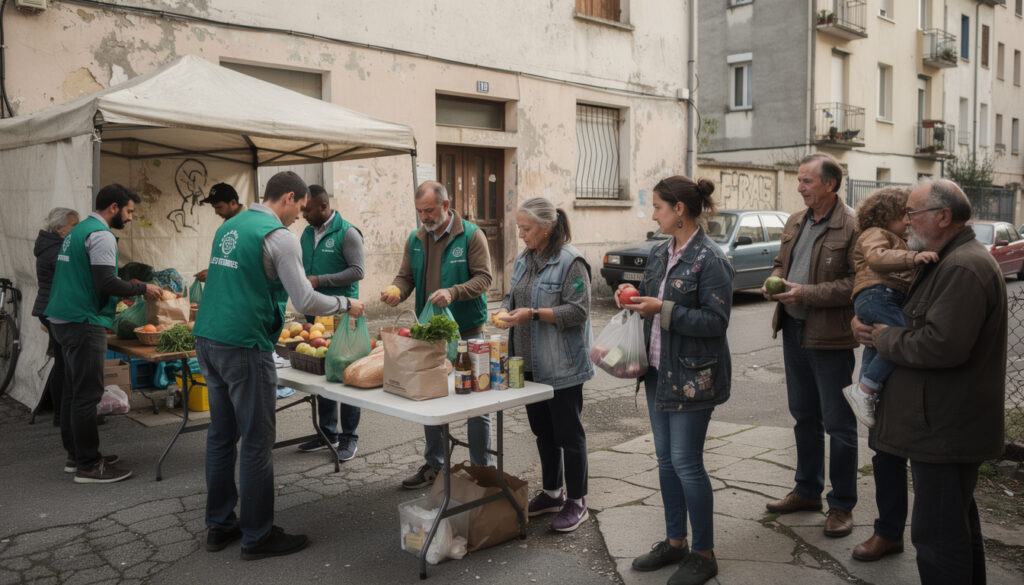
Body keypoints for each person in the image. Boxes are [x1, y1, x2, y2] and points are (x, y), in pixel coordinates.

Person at [192, 171, 365, 560]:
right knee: (255, 442)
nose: (299, 218)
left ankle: (219, 525)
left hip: (207, 338)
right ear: (288, 197)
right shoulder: (279, 237)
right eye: (299, 208)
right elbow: (304, 300)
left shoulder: (231, 225)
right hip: (243, 344)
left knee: (221, 436)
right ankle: (258, 535)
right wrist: (345, 304)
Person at [853, 179, 1006, 585]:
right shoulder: (946, 258)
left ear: (943, 216)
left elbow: (942, 346)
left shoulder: (962, 266)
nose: (906, 220)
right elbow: (911, 314)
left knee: (937, 538)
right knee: (953, 527)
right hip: (939, 424)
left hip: (943, 427)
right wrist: (866, 324)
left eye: (913, 212)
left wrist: (882, 337)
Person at [622, 176, 732, 585]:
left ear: (679, 210)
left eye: (658, 207)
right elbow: (650, 296)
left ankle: (704, 553)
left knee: (687, 463)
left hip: (692, 378)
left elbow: (716, 322)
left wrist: (661, 308)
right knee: (666, 462)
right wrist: (631, 295)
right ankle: (675, 543)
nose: (653, 214)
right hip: (656, 372)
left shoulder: (711, 259)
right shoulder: (660, 252)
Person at [762, 153, 859, 538]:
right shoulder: (795, 220)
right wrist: (777, 282)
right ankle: (806, 490)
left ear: (830, 185)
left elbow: (856, 283)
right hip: (793, 330)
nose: (799, 187)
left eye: (806, 181)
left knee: (839, 424)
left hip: (830, 337)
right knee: (803, 415)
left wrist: (807, 294)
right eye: (799, 181)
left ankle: (842, 505)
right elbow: (779, 262)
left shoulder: (852, 225)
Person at [44, 185, 163, 483]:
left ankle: (77, 456)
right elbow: (105, 283)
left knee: (74, 392)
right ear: (113, 208)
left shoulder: (78, 230)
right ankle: (88, 465)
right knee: (86, 396)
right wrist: (142, 288)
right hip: (83, 320)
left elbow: (92, 274)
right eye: (129, 211)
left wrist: (127, 282)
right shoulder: (102, 235)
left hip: (62, 316)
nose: (131, 217)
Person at [382, 181, 494, 489]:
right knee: (429, 398)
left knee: (476, 404)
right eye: (419, 211)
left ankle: (482, 470)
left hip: (468, 332)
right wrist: (396, 292)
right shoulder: (416, 239)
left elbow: (485, 278)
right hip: (429, 335)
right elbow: (405, 277)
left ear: (445, 206)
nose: (424, 217)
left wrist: (454, 292)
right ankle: (435, 464)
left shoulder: (471, 235)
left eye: (429, 210)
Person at [493, 197, 594, 533]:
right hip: (528, 365)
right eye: (519, 228)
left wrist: (533, 314)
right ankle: (553, 492)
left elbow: (578, 312)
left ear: (547, 227)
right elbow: (516, 298)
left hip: (561, 365)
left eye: (527, 228)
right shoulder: (525, 259)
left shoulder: (571, 261)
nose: (521, 234)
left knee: (569, 434)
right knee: (543, 433)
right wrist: (509, 314)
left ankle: (577, 502)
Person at [842, 187, 939, 428]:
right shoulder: (874, 233)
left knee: (877, 347)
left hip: (882, 296)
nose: (908, 220)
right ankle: (865, 389)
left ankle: (865, 392)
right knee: (897, 336)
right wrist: (913, 258)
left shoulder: (899, 239)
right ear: (884, 215)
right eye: (902, 214)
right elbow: (877, 259)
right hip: (878, 294)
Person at [296, 184, 365, 461]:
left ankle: (349, 437)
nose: (303, 214)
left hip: (344, 315)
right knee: (324, 373)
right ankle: (327, 432)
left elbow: (358, 271)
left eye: (308, 209)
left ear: (324, 207)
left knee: (346, 375)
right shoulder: (307, 232)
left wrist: (319, 281)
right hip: (317, 313)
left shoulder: (347, 233)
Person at [32, 207, 80, 426]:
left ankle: (62, 414)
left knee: (62, 362)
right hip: (54, 310)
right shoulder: (56, 249)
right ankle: (62, 415)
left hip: (49, 308)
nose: (77, 229)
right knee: (64, 364)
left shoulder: (50, 244)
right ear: (59, 228)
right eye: (74, 225)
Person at [195, 182, 244, 283]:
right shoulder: (229, 222)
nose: (216, 212)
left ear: (233, 202)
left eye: (219, 207)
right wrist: (213, 271)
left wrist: (214, 273)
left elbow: (247, 265)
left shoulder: (248, 224)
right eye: (214, 208)